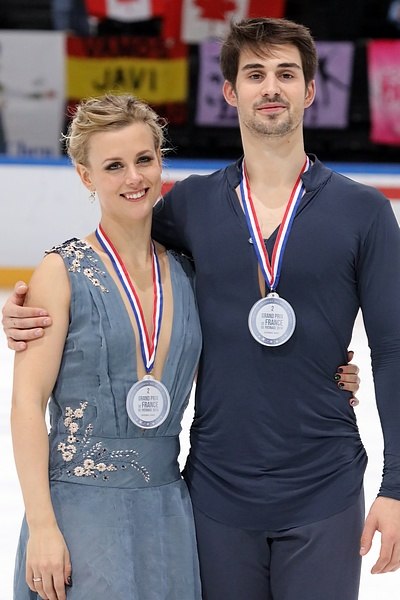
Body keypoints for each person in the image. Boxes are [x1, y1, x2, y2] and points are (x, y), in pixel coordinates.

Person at [1, 19, 382, 600]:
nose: (134, 178)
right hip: (146, 503)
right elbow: (35, 390)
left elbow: (352, 332)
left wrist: (327, 369)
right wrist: (23, 313)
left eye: (145, 160)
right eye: (254, 74)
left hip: (231, 497)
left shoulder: (194, 255)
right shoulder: (114, 248)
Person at [9, 93, 203, 600]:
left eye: (144, 159)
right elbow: (26, 405)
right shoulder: (61, 271)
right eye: (113, 166)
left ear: (161, 161)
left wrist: (338, 373)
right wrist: (43, 527)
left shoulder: (185, 272)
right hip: (80, 516)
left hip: (167, 512)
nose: (133, 178)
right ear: (86, 176)